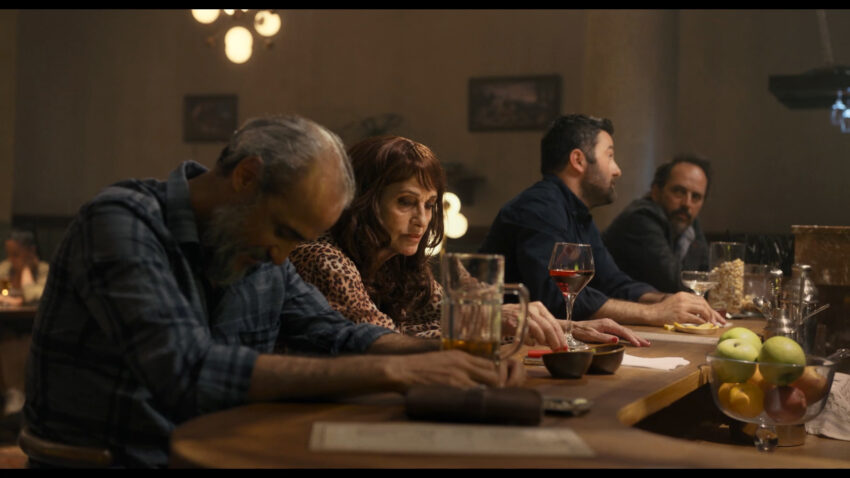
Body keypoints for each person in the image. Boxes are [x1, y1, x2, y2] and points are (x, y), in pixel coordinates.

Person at [23, 115, 524, 468]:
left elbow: (337, 334)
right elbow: (188, 371)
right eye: (284, 233)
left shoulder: (262, 248)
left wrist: (450, 353)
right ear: (246, 178)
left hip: (224, 452)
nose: (284, 258)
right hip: (120, 459)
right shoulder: (120, 221)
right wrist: (394, 372)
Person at [289, 136, 646, 350]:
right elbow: (384, 342)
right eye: (405, 202)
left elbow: (448, 317)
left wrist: (569, 327)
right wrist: (494, 322)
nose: (422, 219)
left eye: (429, 205)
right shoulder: (323, 258)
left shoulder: (399, 260)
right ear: (363, 201)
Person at [478, 114, 725, 328]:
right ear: (578, 160)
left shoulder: (578, 213)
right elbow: (556, 299)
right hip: (497, 346)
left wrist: (666, 300)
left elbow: (613, 283)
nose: (617, 170)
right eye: (610, 156)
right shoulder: (540, 207)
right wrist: (653, 313)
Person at [602, 155, 712, 293]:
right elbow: (674, 284)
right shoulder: (641, 218)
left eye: (696, 197)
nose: (687, 204)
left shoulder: (687, 221)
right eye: (679, 192)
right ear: (656, 192)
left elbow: (706, 275)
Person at [0, 229, 49, 306]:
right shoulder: (6, 268)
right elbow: (3, 293)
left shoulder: (44, 270)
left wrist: (26, 270)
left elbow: (36, 298)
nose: (10, 259)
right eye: (8, 254)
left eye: (15, 254)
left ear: (31, 251)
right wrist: (11, 301)